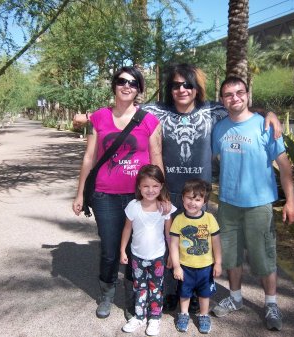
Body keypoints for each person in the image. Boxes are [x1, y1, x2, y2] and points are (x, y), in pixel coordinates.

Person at [73, 63, 282, 312]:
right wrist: (87, 117)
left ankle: (193, 293)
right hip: (168, 191)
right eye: (176, 85)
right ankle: (170, 292)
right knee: (168, 243)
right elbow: (126, 108)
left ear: (196, 88)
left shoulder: (212, 110)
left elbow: (237, 107)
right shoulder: (157, 111)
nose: (182, 89)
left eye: (188, 84)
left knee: (195, 243)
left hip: (197, 194)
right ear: (170, 90)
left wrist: (268, 112)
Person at [72, 66, 164, 320]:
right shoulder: (99, 117)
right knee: (111, 249)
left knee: (138, 249)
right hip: (105, 196)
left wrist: (160, 194)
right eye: (122, 81)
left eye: (133, 83)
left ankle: (134, 297)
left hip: (140, 198)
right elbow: (89, 157)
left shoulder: (149, 120)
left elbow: (156, 157)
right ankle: (107, 292)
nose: (127, 86)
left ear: (139, 90)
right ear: (114, 85)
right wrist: (80, 194)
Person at [211, 76, 294, 331]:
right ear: (223, 99)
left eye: (239, 92)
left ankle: (271, 304)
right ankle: (235, 297)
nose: (234, 98)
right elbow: (219, 159)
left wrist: (290, 202)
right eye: (228, 94)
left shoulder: (265, 126)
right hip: (227, 203)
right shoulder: (220, 128)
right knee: (231, 256)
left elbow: (284, 166)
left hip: (259, 205)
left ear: (247, 94)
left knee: (264, 257)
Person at [119, 164, 177, 335]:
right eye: (146, 186)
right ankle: (139, 316)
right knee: (139, 287)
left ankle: (155, 318)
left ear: (161, 186)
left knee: (156, 288)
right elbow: (127, 229)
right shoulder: (133, 206)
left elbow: (169, 234)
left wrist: (171, 256)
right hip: (137, 257)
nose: (150, 190)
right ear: (139, 187)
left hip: (158, 257)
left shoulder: (165, 208)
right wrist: (123, 250)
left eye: (155, 186)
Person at [169, 179, 222, 334]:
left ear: (204, 201)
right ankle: (184, 314)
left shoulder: (209, 219)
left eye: (197, 199)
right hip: (185, 266)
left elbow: (216, 242)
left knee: (204, 294)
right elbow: (173, 244)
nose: (193, 203)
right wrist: (177, 265)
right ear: (182, 198)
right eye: (189, 198)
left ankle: (204, 315)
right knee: (184, 293)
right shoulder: (178, 220)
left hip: (206, 267)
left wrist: (218, 263)